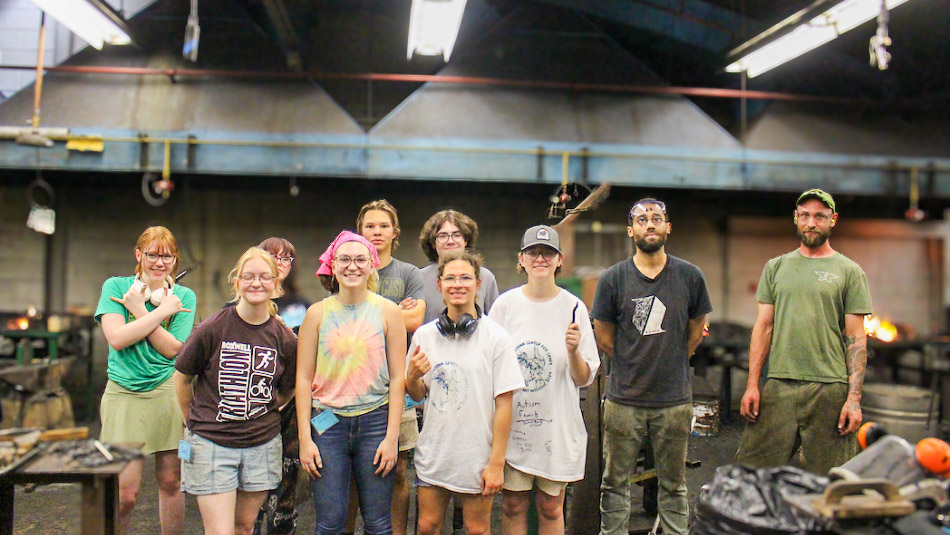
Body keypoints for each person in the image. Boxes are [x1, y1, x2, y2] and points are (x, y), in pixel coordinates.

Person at [592, 198, 711, 535]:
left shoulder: (690, 276)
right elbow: (604, 336)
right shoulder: (613, 279)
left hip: (673, 402)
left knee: (674, 485)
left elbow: (696, 328)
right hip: (624, 401)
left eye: (656, 218)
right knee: (614, 484)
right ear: (631, 231)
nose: (650, 224)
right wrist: (632, 363)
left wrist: (672, 358)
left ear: (667, 227)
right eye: (641, 219)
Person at [736, 189, 872, 474]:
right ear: (796, 219)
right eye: (805, 216)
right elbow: (763, 327)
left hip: (830, 388)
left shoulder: (849, 272)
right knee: (751, 473)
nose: (812, 223)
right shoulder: (775, 268)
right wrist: (752, 384)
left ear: (832, 220)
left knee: (829, 480)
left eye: (820, 216)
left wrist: (854, 399)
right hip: (779, 385)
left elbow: (856, 338)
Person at [174, 247, 297, 535]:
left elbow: (288, 389)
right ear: (237, 282)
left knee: (243, 527)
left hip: (261, 445)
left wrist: (265, 409)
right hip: (212, 442)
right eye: (249, 276)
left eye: (265, 277)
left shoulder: (285, 338)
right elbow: (181, 379)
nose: (257, 283)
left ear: (276, 284)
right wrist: (190, 421)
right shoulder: (212, 328)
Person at [490, 225, 600, 535]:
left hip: (556, 427)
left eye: (548, 253)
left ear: (559, 260)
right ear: (521, 260)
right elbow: (491, 370)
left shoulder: (574, 307)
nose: (541, 258)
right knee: (513, 505)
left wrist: (574, 351)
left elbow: (583, 378)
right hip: (514, 427)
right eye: (533, 253)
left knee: (551, 506)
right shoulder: (504, 306)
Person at [296, 231, 407, 535]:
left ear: (372, 264)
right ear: (332, 265)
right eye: (344, 259)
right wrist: (305, 440)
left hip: (376, 423)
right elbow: (303, 379)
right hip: (327, 425)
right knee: (330, 524)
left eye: (360, 259)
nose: (352, 266)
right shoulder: (316, 314)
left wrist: (391, 437)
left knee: (378, 523)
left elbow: (399, 377)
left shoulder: (389, 312)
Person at [406, 250, 525, 535]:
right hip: (435, 452)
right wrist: (411, 376)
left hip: (476, 455)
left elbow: (505, 404)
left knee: (477, 530)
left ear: (478, 283)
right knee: (426, 526)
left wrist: (496, 463)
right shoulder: (424, 335)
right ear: (439, 285)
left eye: (464, 278)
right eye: (450, 278)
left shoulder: (496, 337)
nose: (457, 284)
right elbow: (417, 394)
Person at [95, 225, 196, 535]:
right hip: (123, 393)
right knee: (125, 492)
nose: (158, 262)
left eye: (167, 256)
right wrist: (157, 311)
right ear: (139, 255)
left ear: (175, 260)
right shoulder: (115, 287)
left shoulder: (183, 296)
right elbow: (116, 338)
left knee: (171, 480)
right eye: (152, 254)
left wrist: (138, 311)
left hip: (168, 392)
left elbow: (171, 349)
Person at [357, 199, 426, 535]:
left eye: (383, 226)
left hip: (396, 386)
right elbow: (336, 316)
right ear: (360, 231)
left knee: (398, 468)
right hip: (352, 385)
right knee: (355, 470)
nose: (377, 232)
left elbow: (417, 319)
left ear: (395, 232)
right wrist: (395, 312)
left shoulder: (409, 273)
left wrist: (366, 317)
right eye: (370, 226)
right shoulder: (349, 268)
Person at [252, 237, 309, 535]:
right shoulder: (238, 305)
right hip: (251, 409)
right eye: (272, 256)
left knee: (285, 488)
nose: (279, 262)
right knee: (247, 493)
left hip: (290, 412)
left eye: (287, 258)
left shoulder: (305, 307)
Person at [418, 209, 499, 325]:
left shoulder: (486, 277)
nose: (450, 241)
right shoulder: (418, 278)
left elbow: (495, 323)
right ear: (432, 243)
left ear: (466, 240)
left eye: (457, 235)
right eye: (442, 236)